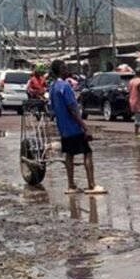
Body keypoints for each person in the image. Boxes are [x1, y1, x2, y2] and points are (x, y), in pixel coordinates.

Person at [49, 60, 104, 194]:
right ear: (60, 70)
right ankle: (91, 185)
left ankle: (71, 185)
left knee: (69, 155)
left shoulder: (52, 87)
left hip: (63, 128)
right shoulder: (65, 86)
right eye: (64, 68)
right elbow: (72, 109)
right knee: (87, 152)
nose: (67, 70)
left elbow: (53, 109)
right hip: (73, 127)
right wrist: (84, 127)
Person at [128, 66, 140, 137]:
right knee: (139, 117)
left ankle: (136, 131)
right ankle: (136, 131)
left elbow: (129, 91)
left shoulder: (131, 81)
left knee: (137, 116)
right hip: (138, 101)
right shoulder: (139, 82)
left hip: (132, 100)